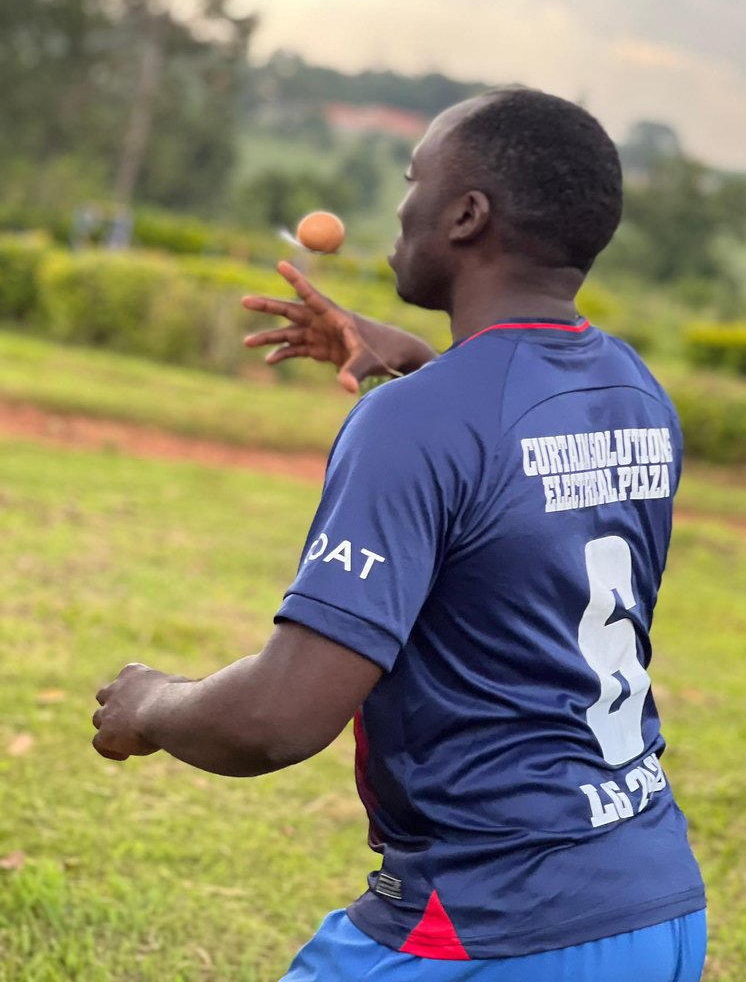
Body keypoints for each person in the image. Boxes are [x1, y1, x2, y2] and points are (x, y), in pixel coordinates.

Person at [92, 87, 707, 981]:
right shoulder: (635, 390)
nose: (399, 202)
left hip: (491, 923)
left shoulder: (413, 423)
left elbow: (277, 720)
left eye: (416, 176)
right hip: (654, 908)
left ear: (466, 215)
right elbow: (511, 456)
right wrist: (421, 363)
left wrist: (150, 703)